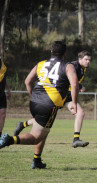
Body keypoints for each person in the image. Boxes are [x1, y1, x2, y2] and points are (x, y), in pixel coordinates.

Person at [0, 41, 79, 169]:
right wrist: (74, 103)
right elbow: (74, 84)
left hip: (35, 101)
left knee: (44, 131)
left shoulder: (41, 64)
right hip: (49, 104)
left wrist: (34, 96)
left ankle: (37, 160)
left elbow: (27, 81)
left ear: (51, 52)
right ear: (65, 53)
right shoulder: (68, 65)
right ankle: (9, 139)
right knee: (36, 137)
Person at [13, 50, 91, 148]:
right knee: (48, 118)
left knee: (80, 112)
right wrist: (79, 86)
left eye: (89, 60)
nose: (88, 61)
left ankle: (76, 139)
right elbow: (64, 77)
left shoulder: (82, 68)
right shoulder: (73, 66)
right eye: (86, 59)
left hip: (66, 95)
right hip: (59, 94)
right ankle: (19, 133)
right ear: (80, 59)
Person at [0, 58, 11, 137]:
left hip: (1, 94)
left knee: (2, 114)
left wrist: (8, 89)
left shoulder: (1, 63)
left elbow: (3, 77)